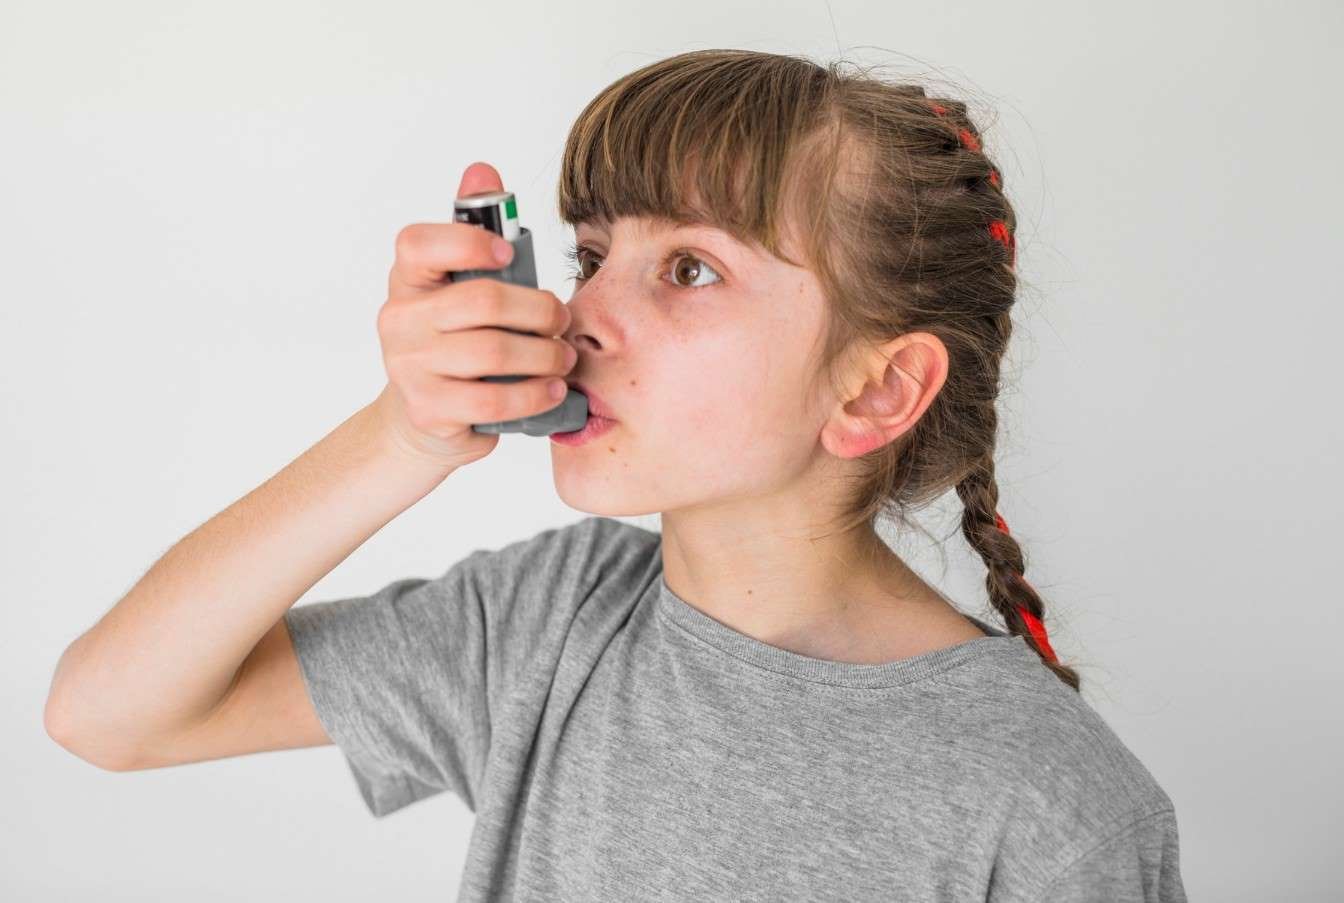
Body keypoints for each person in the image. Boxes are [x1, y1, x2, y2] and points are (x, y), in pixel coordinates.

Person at [45, 49, 1187, 901]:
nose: (582, 313)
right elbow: (108, 714)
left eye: (688, 268)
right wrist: (404, 436)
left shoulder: (1054, 805)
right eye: (594, 255)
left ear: (876, 391)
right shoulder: (541, 621)